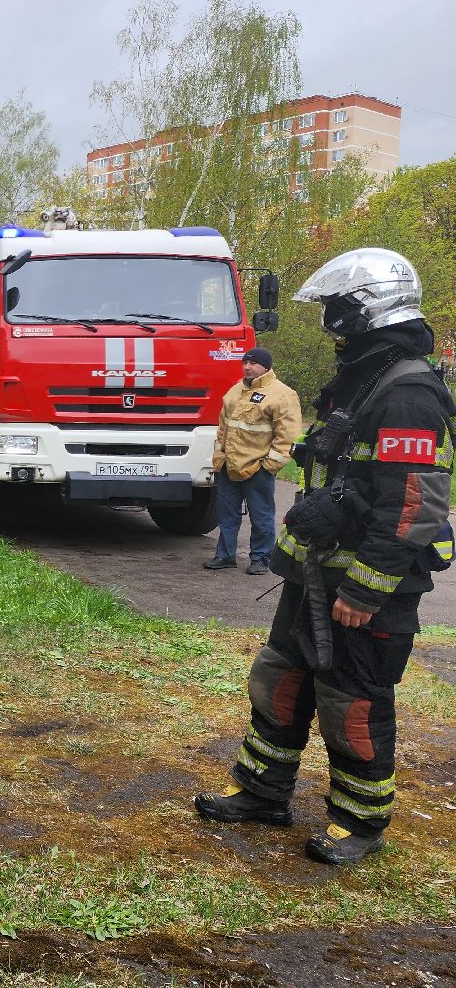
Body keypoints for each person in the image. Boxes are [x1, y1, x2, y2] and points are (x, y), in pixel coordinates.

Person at [196, 248, 455, 866]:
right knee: (279, 680)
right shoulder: (360, 381)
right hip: (314, 572)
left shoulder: (409, 393)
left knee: (353, 702)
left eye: (337, 309)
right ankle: (262, 792)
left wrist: (366, 590)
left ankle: (358, 823)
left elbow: (415, 503)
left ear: (366, 309)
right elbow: (348, 474)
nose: (329, 322)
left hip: (369, 587)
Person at [203, 347, 301, 574]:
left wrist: (268, 466)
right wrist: (220, 458)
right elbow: (223, 429)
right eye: (245, 363)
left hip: (258, 469)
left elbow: (287, 437)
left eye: (253, 363)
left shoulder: (282, 394)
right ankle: (225, 556)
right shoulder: (235, 391)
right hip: (229, 466)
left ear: (266, 366)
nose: (247, 367)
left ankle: (260, 559)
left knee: (261, 517)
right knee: (226, 516)